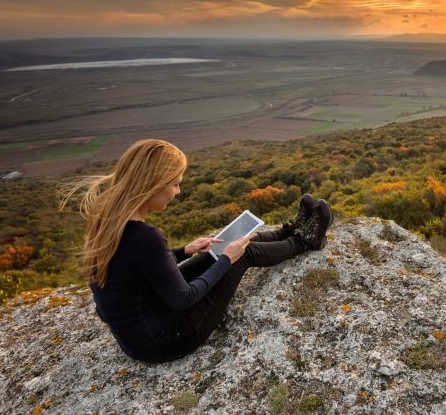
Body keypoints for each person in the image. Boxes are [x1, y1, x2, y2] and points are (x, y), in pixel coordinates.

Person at [60, 139, 332, 362]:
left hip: (142, 331)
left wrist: (182, 251)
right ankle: (305, 240)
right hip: (167, 339)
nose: (178, 191)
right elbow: (184, 299)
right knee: (238, 256)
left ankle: (287, 232)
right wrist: (227, 260)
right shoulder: (144, 237)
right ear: (153, 184)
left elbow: (136, 269)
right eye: (175, 183)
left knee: (212, 254)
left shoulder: (108, 222)